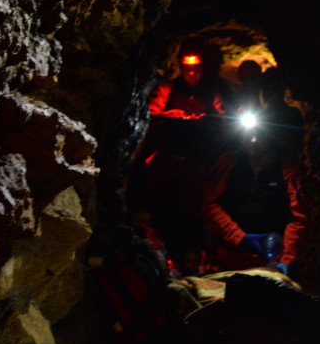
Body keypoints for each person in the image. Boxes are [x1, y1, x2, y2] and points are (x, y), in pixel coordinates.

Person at [129, 37, 231, 274]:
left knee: (196, 212)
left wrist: (208, 121)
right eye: (187, 68)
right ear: (181, 67)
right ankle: (165, 259)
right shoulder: (167, 88)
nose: (192, 73)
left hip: (198, 165)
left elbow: (228, 117)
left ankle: (195, 260)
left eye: (196, 68)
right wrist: (169, 115)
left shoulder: (213, 91)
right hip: (168, 162)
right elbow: (150, 115)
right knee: (165, 208)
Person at [201, 116, 308, 277]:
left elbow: (298, 217)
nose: (253, 140)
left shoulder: (287, 170)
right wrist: (241, 239)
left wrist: (287, 259)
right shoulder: (227, 163)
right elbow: (209, 204)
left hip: (269, 261)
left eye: (259, 135)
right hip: (228, 257)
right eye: (248, 134)